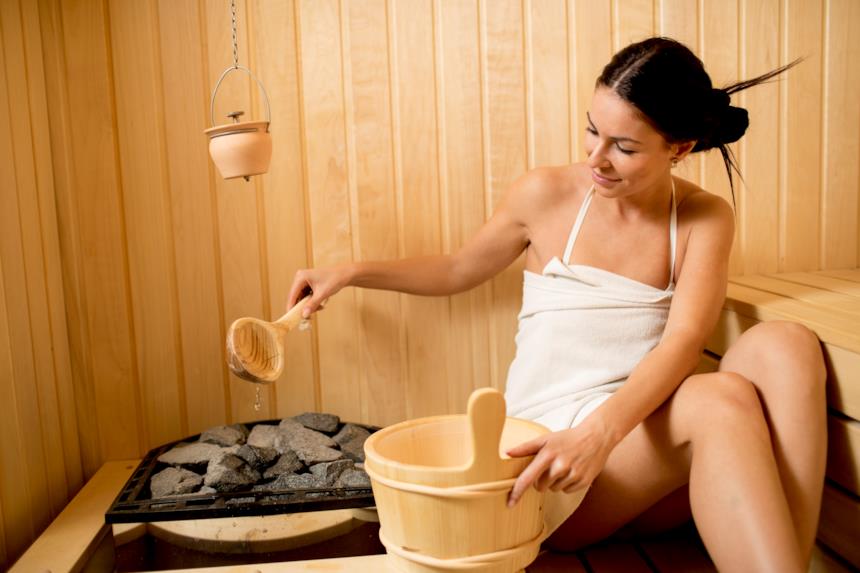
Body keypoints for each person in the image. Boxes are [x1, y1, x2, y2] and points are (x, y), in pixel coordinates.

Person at [287, 37, 826, 571]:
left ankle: (790, 563)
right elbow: (456, 268)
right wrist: (352, 273)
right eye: (593, 130)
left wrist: (602, 434)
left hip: (634, 451)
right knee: (718, 398)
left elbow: (684, 343)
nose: (597, 158)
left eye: (625, 147)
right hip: (557, 466)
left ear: (678, 148)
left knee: (787, 345)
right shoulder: (544, 196)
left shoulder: (702, 218)